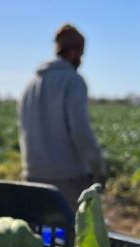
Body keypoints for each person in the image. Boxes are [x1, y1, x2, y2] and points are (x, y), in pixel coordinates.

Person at [17, 23, 106, 212]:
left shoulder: (29, 85)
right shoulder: (73, 81)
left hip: (32, 176)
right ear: (73, 52)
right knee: (70, 234)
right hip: (68, 179)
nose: (81, 59)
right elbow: (81, 131)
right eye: (81, 54)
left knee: (42, 232)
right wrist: (98, 169)